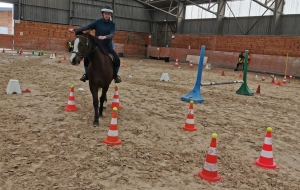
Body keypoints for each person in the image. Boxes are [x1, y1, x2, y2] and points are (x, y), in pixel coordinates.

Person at [68, 5, 121, 83]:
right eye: (105, 13)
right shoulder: (97, 22)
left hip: (107, 46)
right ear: (103, 14)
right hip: (97, 46)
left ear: (110, 15)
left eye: (108, 14)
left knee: (117, 59)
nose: (107, 15)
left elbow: (112, 34)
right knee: (86, 59)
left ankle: (115, 76)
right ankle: (87, 74)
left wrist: (105, 37)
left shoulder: (112, 24)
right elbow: (87, 27)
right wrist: (75, 30)